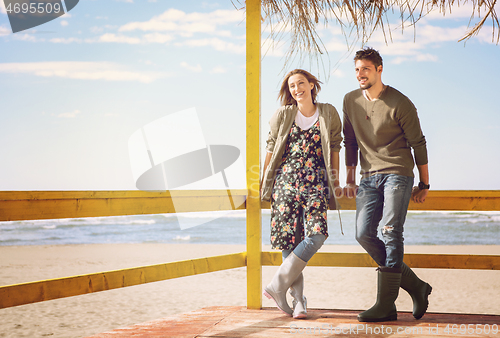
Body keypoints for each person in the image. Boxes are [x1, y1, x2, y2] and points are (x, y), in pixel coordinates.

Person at [343, 47, 432, 322]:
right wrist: (349, 176)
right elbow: (350, 140)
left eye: (366, 69)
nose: (360, 74)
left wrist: (424, 183)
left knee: (391, 230)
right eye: (357, 69)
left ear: (379, 70)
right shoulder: (349, 101)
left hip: (397, 171)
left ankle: (386, 304)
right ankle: (416, 286)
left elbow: (418, 143)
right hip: (368, 177)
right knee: (363, 233)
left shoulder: (400, 102)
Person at [261, 69, 342, 319]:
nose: (297, 89)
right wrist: (264, 181)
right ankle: (298, 302)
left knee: (317, 235)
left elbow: (335, 147)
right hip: (285, 184)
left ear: (311, 85)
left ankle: (277, 284)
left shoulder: (328, 112)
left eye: (301, 83)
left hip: (316, 182)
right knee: (289, 242)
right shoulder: (283, 114)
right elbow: (271, 148)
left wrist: (336, 181)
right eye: (292, 86)